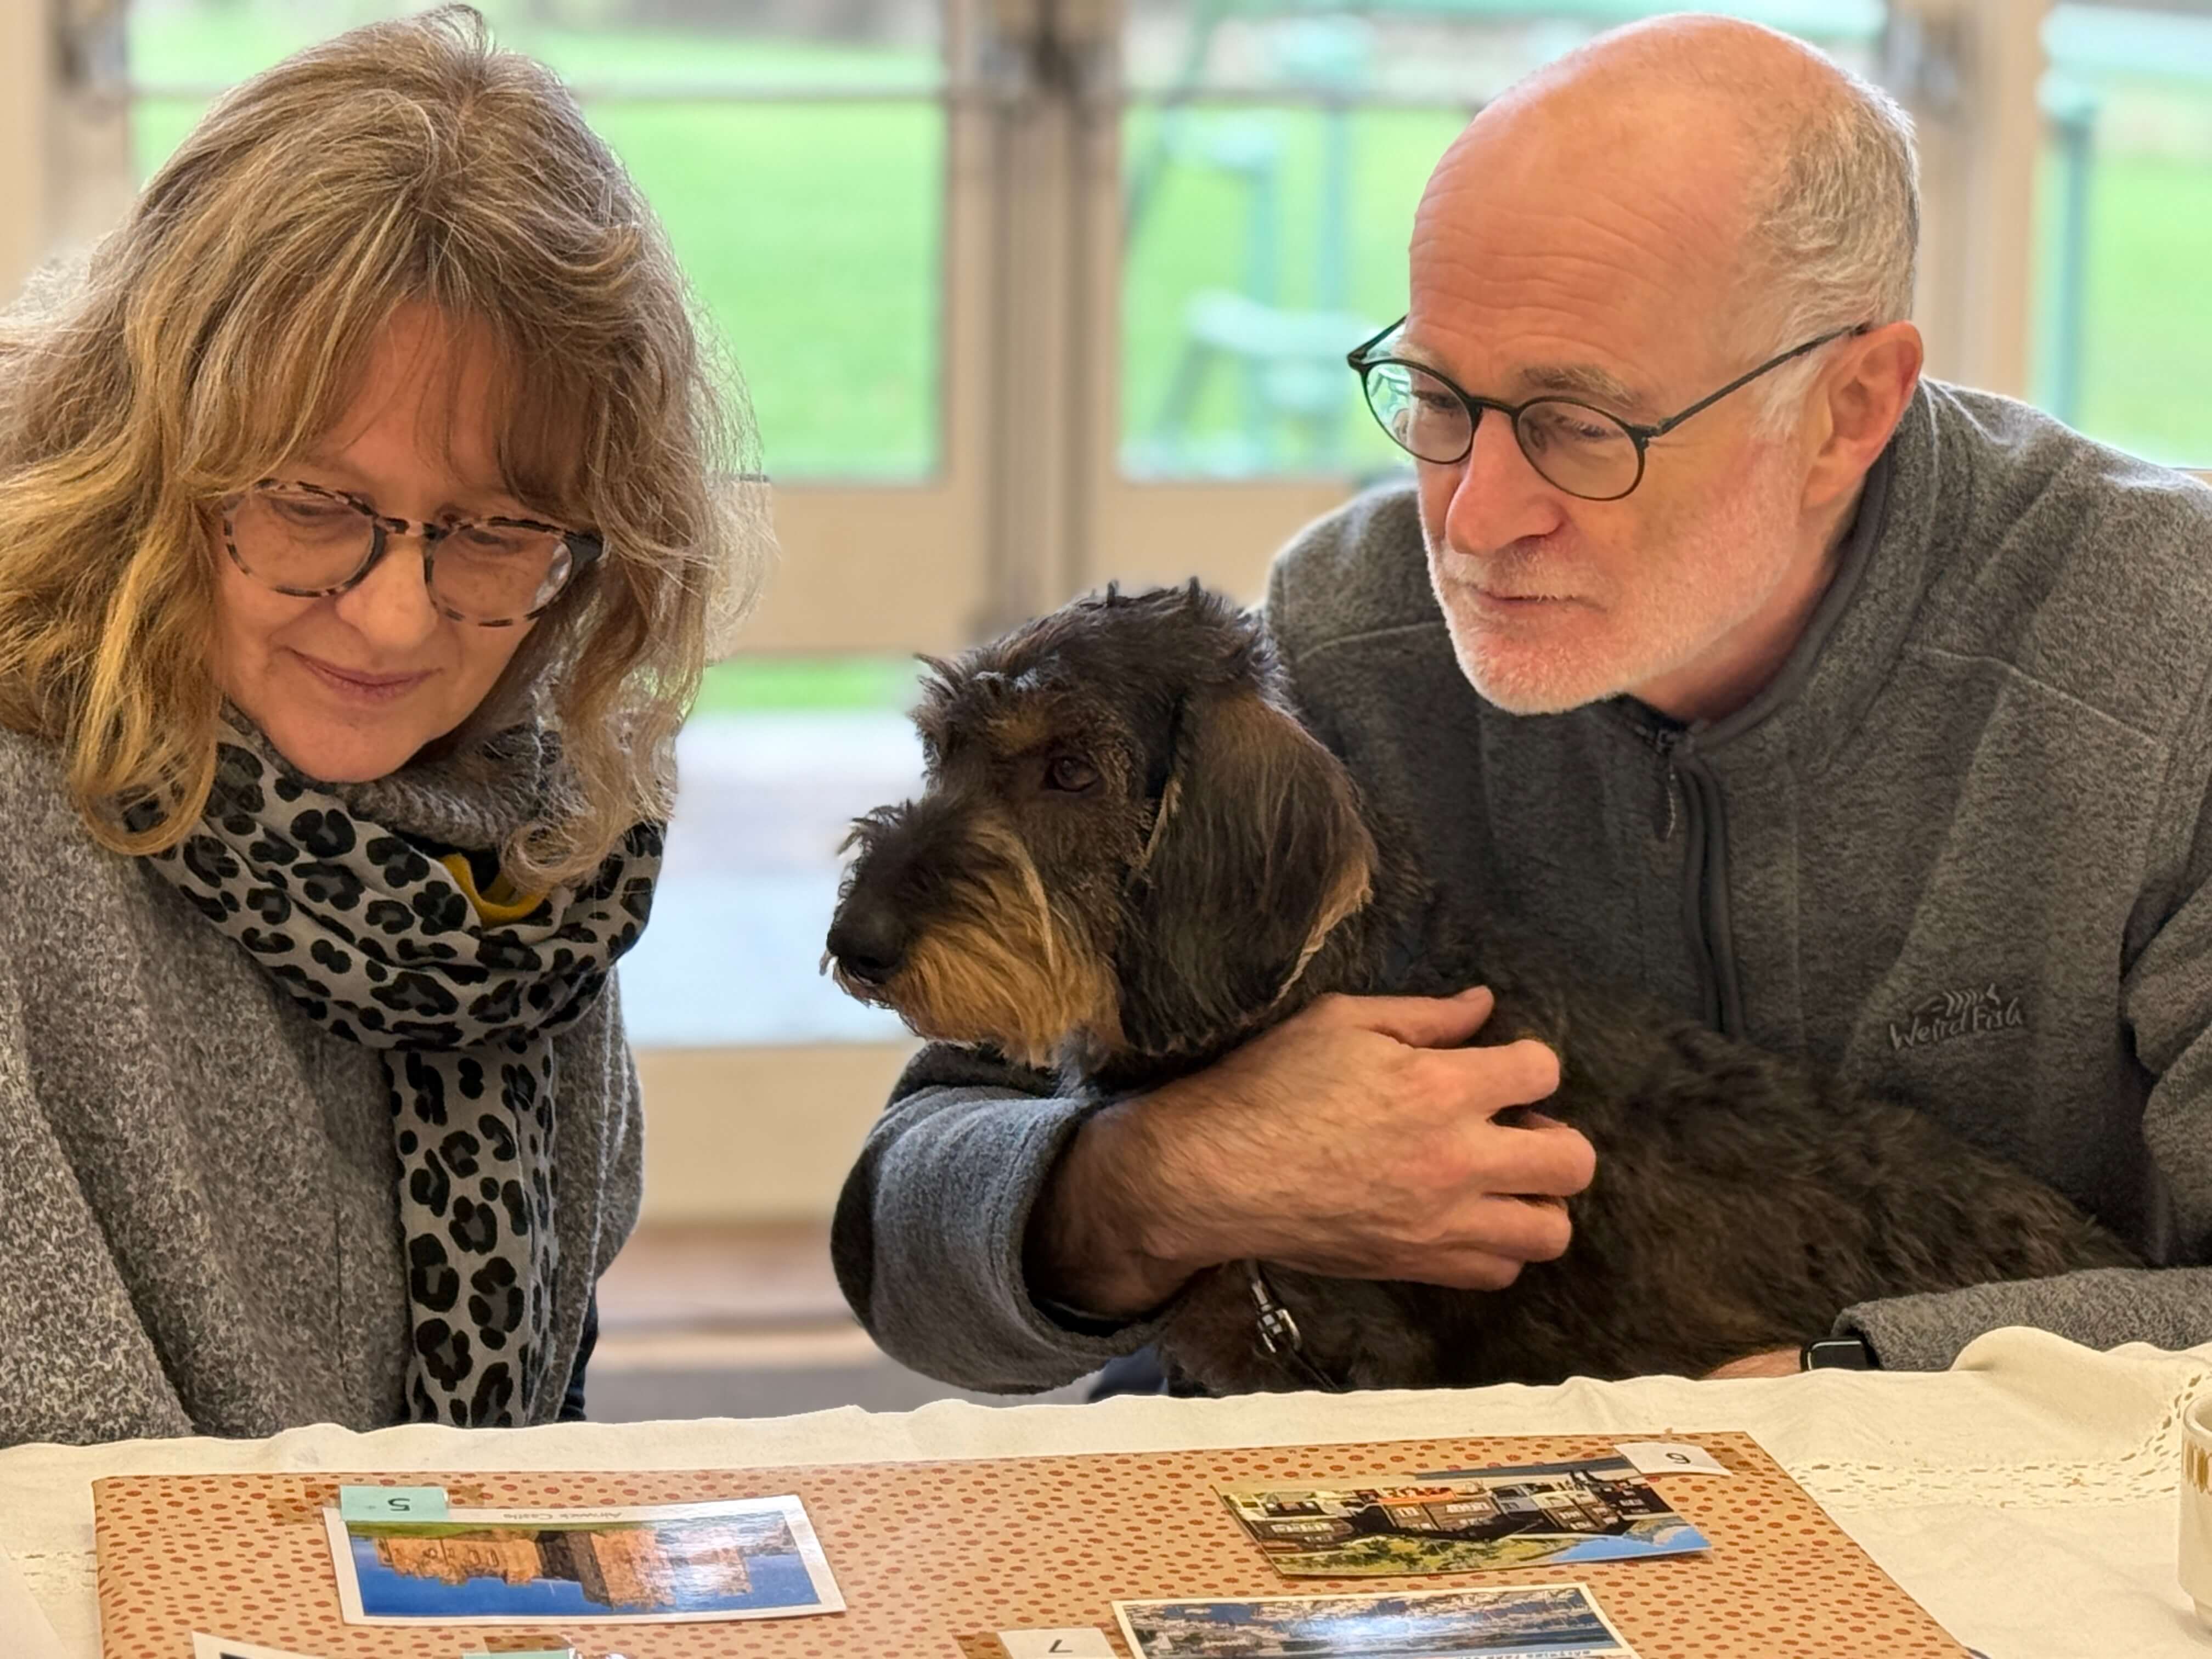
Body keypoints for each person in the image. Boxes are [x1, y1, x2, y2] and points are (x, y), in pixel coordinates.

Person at [833, 13, 2212, 1392]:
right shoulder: (1346, 633)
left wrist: (1849, 1382)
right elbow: (910, 1244)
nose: (1475, 518)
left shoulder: (2166, 645)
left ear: (1848, 409)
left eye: (1580, 425)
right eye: (1439, 398)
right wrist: (1159, 1178)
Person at [0, 5, 763, 1444]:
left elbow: (540, 1430)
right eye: (312, 505)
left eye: (495, 529)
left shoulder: (535, 848)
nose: (398, 618)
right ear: (150, 450)